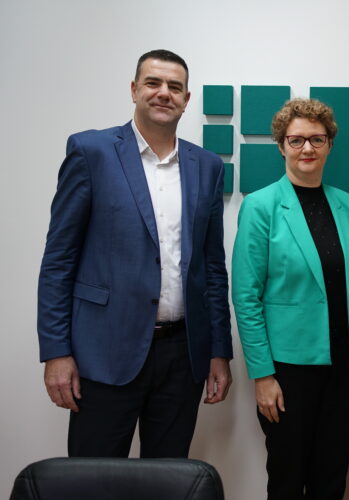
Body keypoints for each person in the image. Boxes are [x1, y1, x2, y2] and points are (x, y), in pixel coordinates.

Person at [37, 49, 233, 458]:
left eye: (174, 87)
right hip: (103, 352)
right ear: (134, 89)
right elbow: (59, 261)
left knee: (168, 479)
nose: (164, 93)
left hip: (182, 356)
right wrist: (56, 351)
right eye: (153, 83)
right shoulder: (92, 152)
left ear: (186, 99)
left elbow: (212, 268)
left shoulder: (207, 166)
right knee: (93, 479)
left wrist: (218, 350)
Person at [231, 98, 349, 499]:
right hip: (287, 371)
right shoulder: (260, 206)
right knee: (287, 480)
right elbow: (245, 296)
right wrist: (262, 375)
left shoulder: (347, 205)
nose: (307, 148)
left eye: (317, 139)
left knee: (332, 479)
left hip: (343, 366)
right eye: (296, 140)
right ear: (282, 146)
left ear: (330, 144)